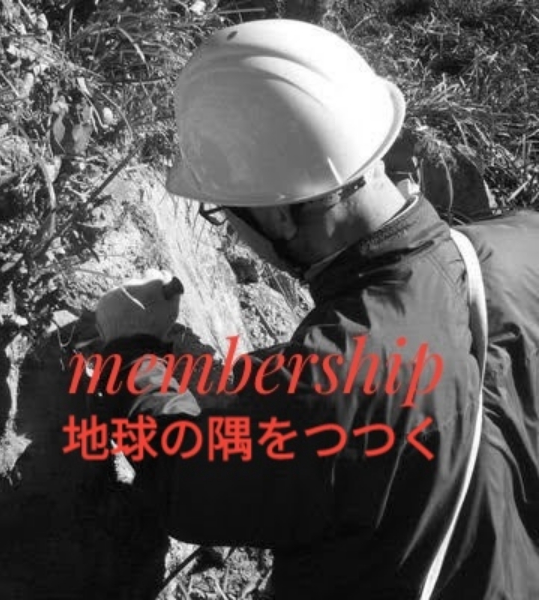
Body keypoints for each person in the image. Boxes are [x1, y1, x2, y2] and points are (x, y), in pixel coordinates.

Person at [89, 19, 539, 600]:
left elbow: (188, 484)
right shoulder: (525, 243)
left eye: (223, 213)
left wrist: (131, 351)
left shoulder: (332, 383)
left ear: (278, 216)